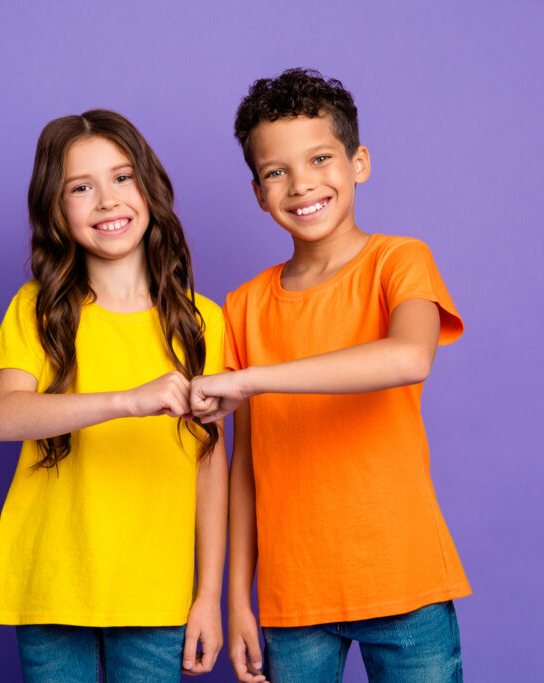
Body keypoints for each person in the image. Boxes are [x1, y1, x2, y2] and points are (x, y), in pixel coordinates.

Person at [190, 69, 469, 682]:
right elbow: (244, 468)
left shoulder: (399, 260)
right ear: (258, 192)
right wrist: (239, 600)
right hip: (295, 597)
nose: (301, 184)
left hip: (405, 579)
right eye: (276, 172)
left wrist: (256, 379)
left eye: (320, 158)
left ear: (358, 162)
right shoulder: (243, 305)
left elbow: (408, 357)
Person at [0, 109, 226, 681]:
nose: (107, 200)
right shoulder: (37, 309)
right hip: (53, 582)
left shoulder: (202, 321)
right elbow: (5, 416)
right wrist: (128, 400)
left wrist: (207, 594)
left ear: (149, 187)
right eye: (81, 188)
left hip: (155, 590)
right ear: (57, 211)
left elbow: (211, 466)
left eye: (122, 177)